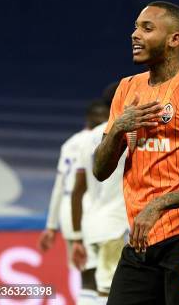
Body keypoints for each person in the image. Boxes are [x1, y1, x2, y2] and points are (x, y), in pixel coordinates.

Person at [93, 1, 179, 304]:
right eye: (135, 27)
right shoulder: (126, 89)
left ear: (174, 39)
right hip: (141, 240)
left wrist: (159, 205)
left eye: (147, 28)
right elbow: (100, 170)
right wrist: (118, 128)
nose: (135, 34)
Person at [38, 100, 107, 305]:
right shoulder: (101, 139)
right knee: (102, 278)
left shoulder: (69, 143)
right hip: (92, 210)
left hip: (69, 213)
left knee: (86, 277)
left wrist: (51, 226)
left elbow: (60, 185)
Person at [70, 85, 129, 304]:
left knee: (90, 287)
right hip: (116, 225)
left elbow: (77, 190)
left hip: (91, 224)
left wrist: (76, 235)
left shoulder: (88, 138)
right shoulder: (129, 133)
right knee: (109, 290)